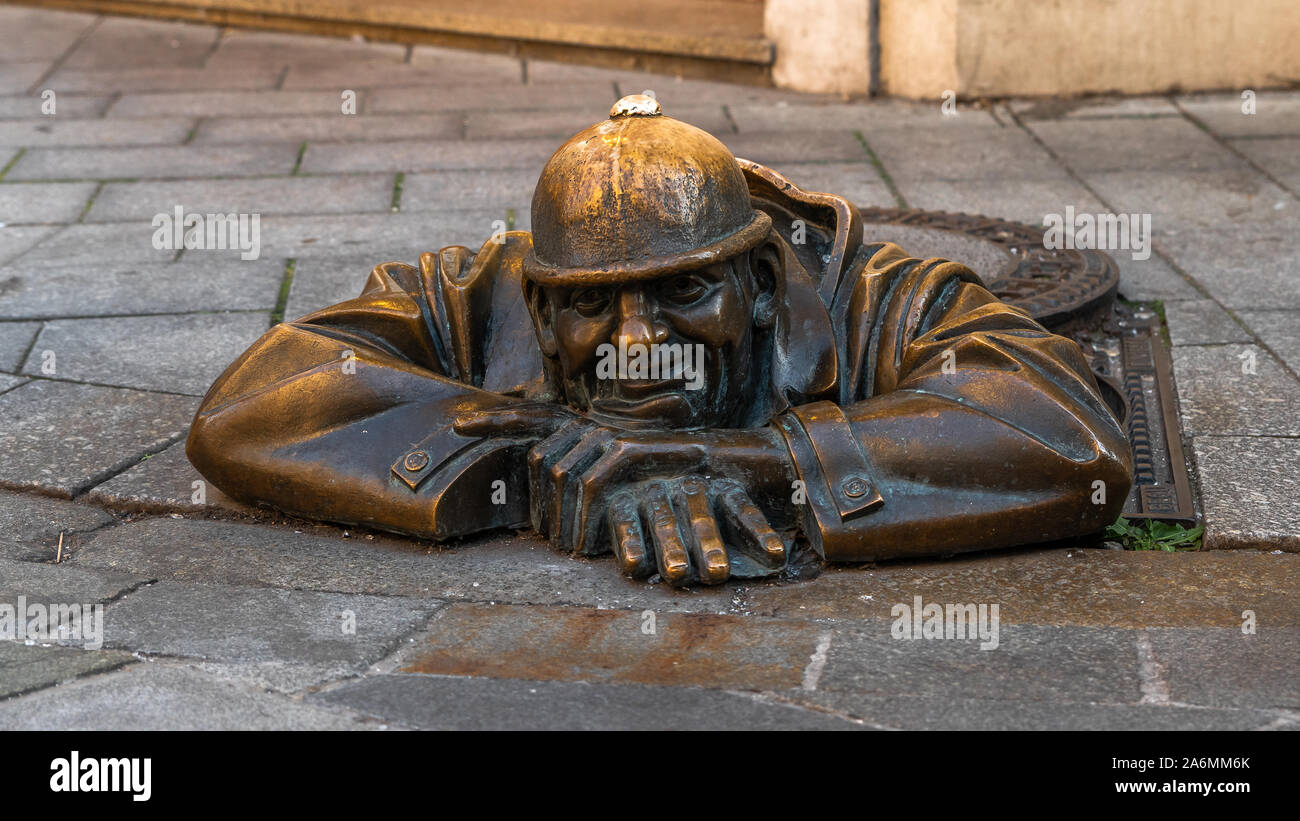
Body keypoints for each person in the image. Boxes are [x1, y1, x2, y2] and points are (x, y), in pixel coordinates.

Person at [188, 95, 1132, 586]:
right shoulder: (484, 293)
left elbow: (1067, 430)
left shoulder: (879, 296)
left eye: (684, 291)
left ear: (760, 285)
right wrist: (538, 456)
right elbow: (251, 406)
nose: (637, 339)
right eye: (596, 306)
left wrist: (757, 462)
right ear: (543, 305)